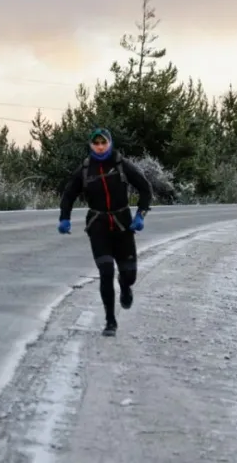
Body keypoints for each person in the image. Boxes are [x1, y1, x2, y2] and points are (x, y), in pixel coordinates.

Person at [58, 127, 153, 336]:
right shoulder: (85, 169)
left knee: (129, 275)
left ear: (110, 143)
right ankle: (110, 321)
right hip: (98, 225)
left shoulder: (121, 164)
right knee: (106, 272)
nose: (100, 147)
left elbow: (145, 188)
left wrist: (140, 215)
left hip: (123, 224)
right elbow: (68, 194)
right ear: (91, 145)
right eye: (96, 143)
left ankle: (125, 287)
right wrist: (64, 218)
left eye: (103, 143)